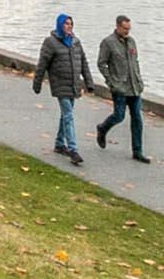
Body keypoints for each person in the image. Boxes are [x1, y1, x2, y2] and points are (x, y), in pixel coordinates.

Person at [32, 13, 95, 165]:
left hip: (73, 84)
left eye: (71, 24)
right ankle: (73, 150)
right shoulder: (50, 43)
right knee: (68, 115)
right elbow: (42, 64)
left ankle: (60, 143)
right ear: (60, 25)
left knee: (66, 115)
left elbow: (83, 63)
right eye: (66, 23)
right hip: (60, 84)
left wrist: (89, 82)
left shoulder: (75, 42)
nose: (69, 26)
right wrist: (37, 82)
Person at [95, 14, 149, 161]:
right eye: (125, 29)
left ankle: (137, 151)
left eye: (129, 29)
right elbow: (101, 64)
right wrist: (111, 81)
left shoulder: (131, 42)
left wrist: (139, 79)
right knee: (119, 116)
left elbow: (135, 61)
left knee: (137, 118)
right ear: (118, 26)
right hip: (119, 87)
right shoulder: (108, 42)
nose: (127, 32)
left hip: (134, 87)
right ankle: (102, 128)